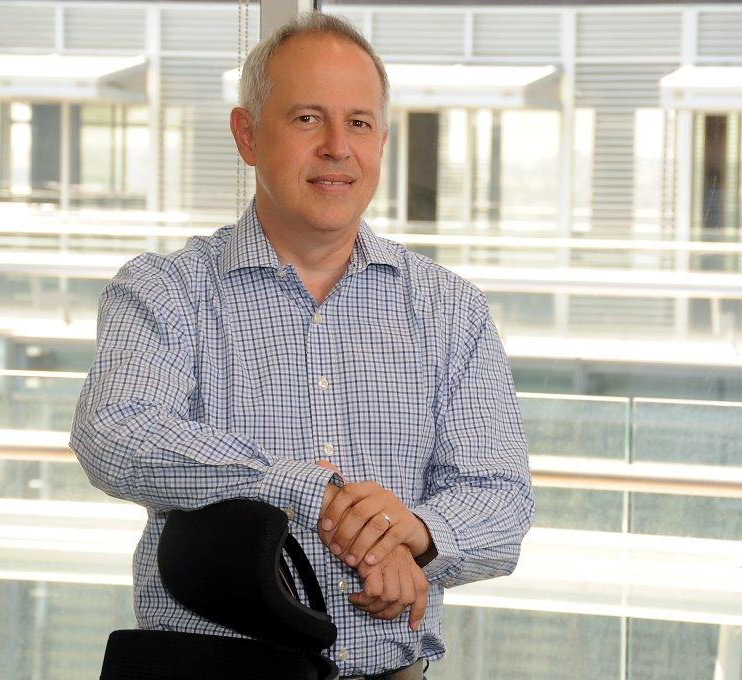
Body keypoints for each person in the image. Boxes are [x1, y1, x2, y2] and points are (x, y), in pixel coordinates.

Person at [70, 12, 534, 679]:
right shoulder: (165, 290)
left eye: (359, 123)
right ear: (247, 134)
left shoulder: (450, 310)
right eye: (308, 118)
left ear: (381, 140)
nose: (338, 148)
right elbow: (118, 435)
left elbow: (501, 498)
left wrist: (417, 534)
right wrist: (312, 493)